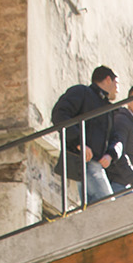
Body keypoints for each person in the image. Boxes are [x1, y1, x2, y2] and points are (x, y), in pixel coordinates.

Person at [50, 65, 117, 205]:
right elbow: (59, 114)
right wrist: (79, 142)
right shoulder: (82, 92)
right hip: (83, 161)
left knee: (96, 212)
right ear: (108, 79)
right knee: (110, 207)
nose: (118, 88)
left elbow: (115, 137)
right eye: (117, 83)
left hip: (94, 163)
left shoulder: (107, 108)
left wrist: (111, 154)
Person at [106, 84, 133, 193]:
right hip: (115, 182)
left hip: (123, 182)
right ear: (129, 102)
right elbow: (119, 153)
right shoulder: (122, 120)